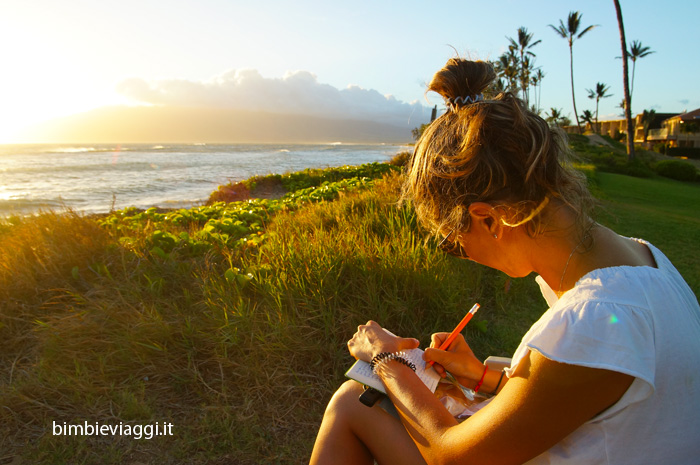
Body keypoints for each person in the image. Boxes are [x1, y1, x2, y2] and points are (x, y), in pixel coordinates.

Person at [309, 58, 700, 465]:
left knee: (354, 401)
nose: (460, 254)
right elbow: (590, 397)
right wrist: (481, 376)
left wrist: (385, 360)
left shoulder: (597, 318)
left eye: (452, 241)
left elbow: (452, 456)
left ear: (489, 219)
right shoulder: (645, 260)